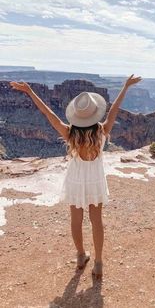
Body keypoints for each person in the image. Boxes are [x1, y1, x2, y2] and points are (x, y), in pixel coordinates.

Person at [10, 74, 141, 279]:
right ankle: (98, 263)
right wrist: (125, 86)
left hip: (75, 180)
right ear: (94, 114)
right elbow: (114, 109)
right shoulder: (102, 131)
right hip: (95, 180)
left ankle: (81, 256)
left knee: (76, 221)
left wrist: (30, 92)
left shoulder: (69, 133)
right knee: (97, 221)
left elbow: (48, 113)